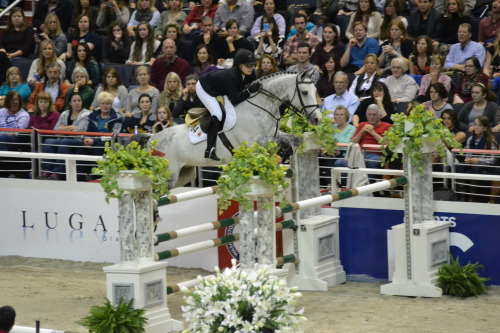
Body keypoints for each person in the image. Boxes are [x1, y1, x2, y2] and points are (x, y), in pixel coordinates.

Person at [197, 49, 260, 160]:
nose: (251, 67)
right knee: (218, 114)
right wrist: (249, 91)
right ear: (240, 66)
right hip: (204, 87)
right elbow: (235, 100)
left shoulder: (252, 73)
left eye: (252, 65)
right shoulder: (233, 76)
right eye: (247, 65)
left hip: (221, 89)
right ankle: (210, 149)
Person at [40, 92, 91, 179]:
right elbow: (55, 130)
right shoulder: (65, 113)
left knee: (64, 142)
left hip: (78, 141)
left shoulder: (87, 114)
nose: (77, 103)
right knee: (48, 141)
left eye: (79, 100)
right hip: (64, 138)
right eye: (74, 101)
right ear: (70, 103)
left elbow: (79, 131)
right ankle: (47, 171)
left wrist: (63, 129)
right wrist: (71, 127)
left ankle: (57, 172)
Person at [350, 103, 392, 168]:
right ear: (366, 116)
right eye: (369, 115)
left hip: (377, 154)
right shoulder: (361, 125)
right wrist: (361, 131)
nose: (371, 117)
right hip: (360, 154)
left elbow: (389, 144)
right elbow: (353, 142)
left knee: (370, 162)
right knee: (340, 163)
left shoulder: (387, 126)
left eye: (374, 115)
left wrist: (373, 133)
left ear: (380, 116)